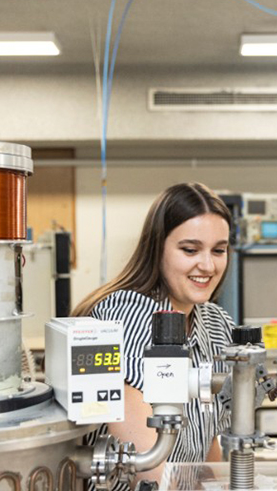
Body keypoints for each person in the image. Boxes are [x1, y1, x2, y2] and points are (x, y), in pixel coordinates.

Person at [72, 182, 235, 485]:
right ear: (157, 247)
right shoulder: (123, 317)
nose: (208, 265)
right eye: (190, 250)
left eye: (219, 250)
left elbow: (208, 442)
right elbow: (146, 466)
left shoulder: (217, 323)